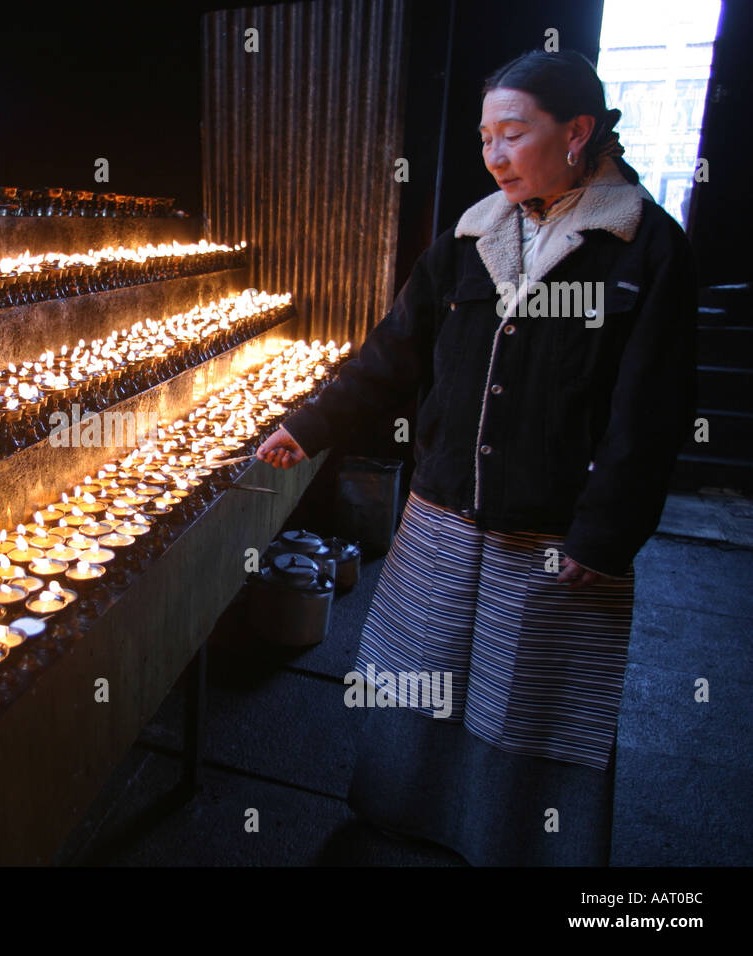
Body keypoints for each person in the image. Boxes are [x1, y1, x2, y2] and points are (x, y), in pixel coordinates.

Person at [256, 49, 697, 866]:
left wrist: (604, 537)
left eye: (513, 135)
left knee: (526, 698)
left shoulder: (640, 249)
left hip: (552, 533)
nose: (493, 155)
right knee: (423, 672)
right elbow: (392, 355)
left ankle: (518, 843)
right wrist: (310, 426)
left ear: (578, 133)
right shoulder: (471, 241)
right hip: (446, 510)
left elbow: (653, 412)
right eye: (485, 138)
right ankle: (405, 816)